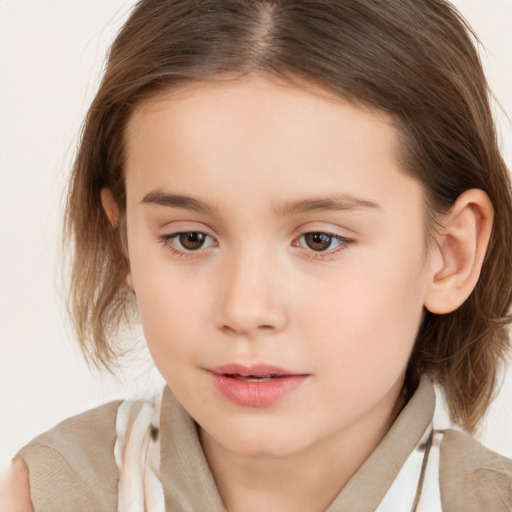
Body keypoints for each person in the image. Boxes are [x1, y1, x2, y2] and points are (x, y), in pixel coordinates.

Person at [2, 0, 512, 510]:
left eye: (320, 240)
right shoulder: (44, 494)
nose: (245, 309)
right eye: (190, 239)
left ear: (450, 253)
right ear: (125, 244)